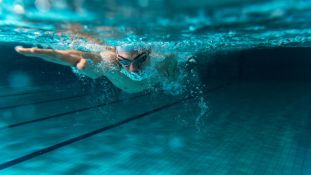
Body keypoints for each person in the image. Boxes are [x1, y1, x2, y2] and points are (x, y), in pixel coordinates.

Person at [15, 43, 179, 93]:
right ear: (116, 55)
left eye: (141, 60)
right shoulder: (109, 59)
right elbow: (77, 54)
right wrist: (52, 54)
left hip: (159, 76)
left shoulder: (163, 58)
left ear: (149, 53)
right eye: (124, 61)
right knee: (88, 66)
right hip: (130, 88)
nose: (133, 70)